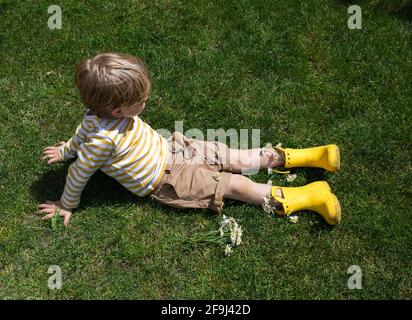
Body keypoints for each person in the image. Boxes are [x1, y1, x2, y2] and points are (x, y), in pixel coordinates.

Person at [39, 53, 341, 227]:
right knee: (233, 185)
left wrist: (65, 150)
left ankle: (306, 157)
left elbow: (80, 133)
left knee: (234, 157)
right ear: (118, 110)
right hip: (166, 180)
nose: (145, 103)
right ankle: (308, 197)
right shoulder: (101, 142)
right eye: (141, 102)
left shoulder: (95, 116)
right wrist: (67, 204)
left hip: (173, 147)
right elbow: (80, 173)